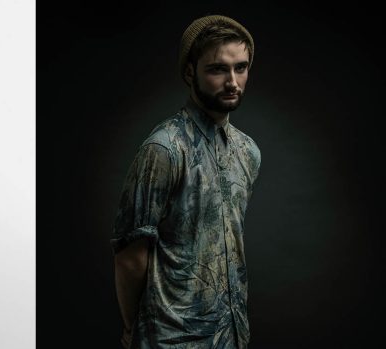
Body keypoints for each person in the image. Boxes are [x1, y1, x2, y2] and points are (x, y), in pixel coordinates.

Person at [111, 15, 261, 349]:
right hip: (172, 337)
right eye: (217, 69)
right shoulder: (164, 147)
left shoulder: (247, 150)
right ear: (190, 72)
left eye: (241, 67)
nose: (233, 81)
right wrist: (131, 327)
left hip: (231, 333)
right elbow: (130, 255)